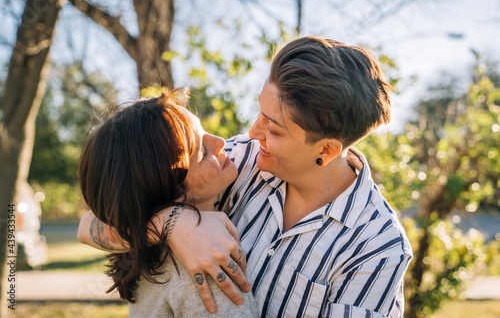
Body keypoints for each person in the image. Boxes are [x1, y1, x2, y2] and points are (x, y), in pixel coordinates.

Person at [79, 36, 413, 317]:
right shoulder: (239, 162)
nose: (253, 132)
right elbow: (92, 224)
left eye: (274, 129)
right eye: (260, 113)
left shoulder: (377, 247)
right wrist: (173, 225)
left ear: (326, 150)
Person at [77, 92, 258, 317]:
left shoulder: (145, 256)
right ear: (171, 190)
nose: (222, 142)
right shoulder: (205, 264)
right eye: (203, 152)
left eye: (203, 131)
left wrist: (170, 220)